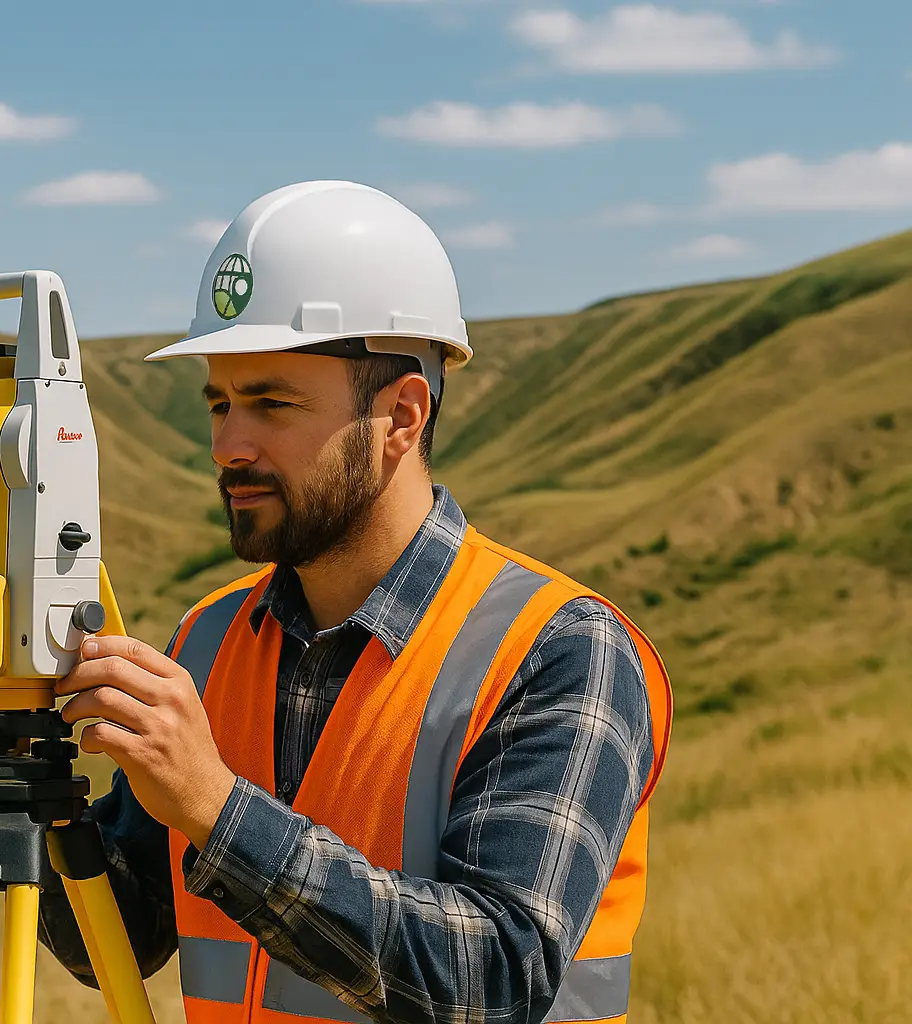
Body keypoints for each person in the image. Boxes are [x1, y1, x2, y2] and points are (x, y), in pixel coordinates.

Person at [37, 180, 672, 1024]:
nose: (230, 444)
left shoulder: (558, 649)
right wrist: (22, 788)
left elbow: (494, 978)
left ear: (401, 415)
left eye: (272, 403)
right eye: (221, 404)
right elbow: (114, 938)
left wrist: (217, 809)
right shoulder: (211, 638)